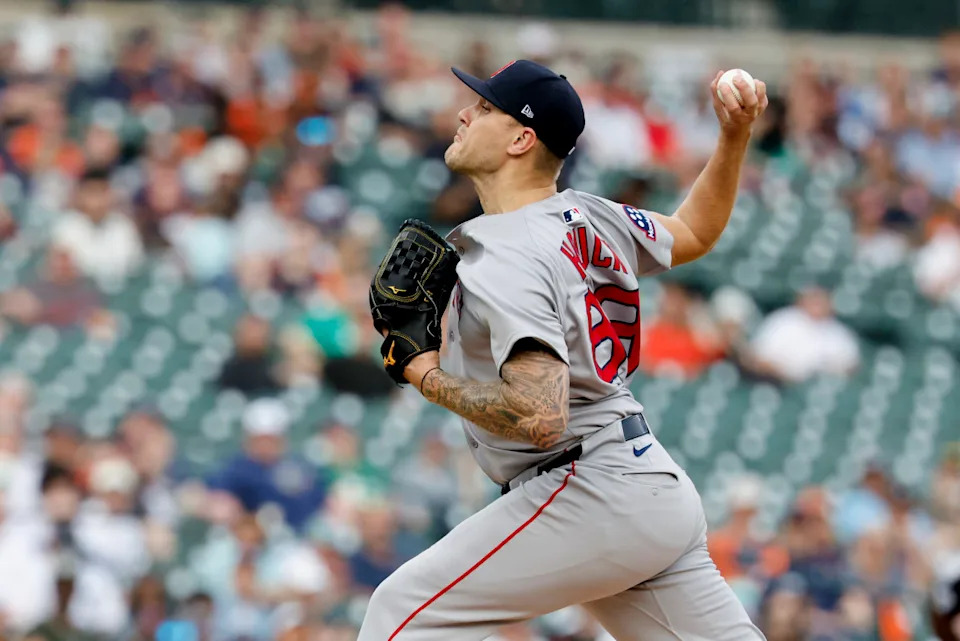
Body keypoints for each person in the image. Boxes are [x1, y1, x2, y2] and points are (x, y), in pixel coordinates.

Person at [361, 60, 768, 639]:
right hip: (647, 485)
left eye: (483, 108)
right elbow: (695, 231)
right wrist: (734, 138)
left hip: (588, 487)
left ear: (521, 138)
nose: (463, 113)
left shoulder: (507, 251)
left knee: (399, 614)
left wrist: (425, 374)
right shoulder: (586, 215)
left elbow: (541, 415)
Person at [205, 399, 327, 532]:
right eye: (260, 440)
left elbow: (317, 505)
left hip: (296, 539)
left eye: (271, 440)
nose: (265, 446)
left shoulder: (299, 468)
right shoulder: (233, 469)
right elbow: (216, 499)